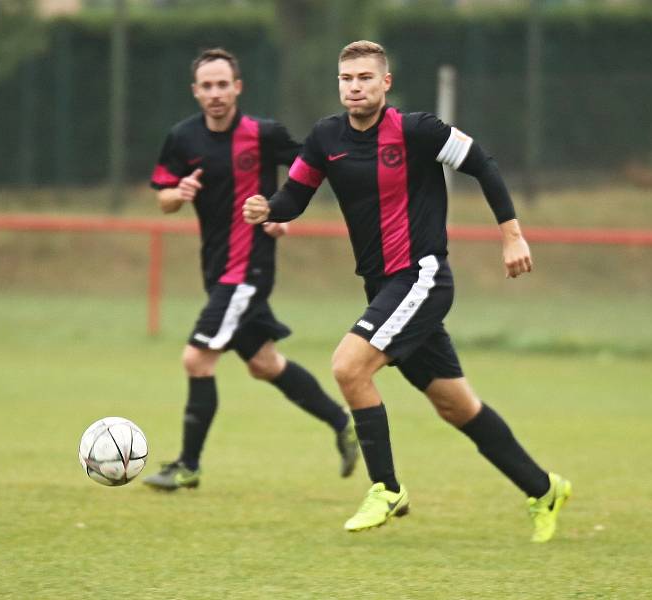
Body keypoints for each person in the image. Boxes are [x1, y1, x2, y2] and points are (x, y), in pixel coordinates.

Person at [243, 41, 571, 542]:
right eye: (347, 78)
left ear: (385, 83)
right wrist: (268, 207)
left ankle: (387, 487)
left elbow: (482, 162)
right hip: (385, 287)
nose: (355, 87)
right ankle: (544, 488)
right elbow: (295, 197)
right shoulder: (326, 137)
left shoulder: (417, 130)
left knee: (348, 367)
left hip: (421, 277)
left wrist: (511, 234)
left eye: (365, 78)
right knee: (456, 406)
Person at [144, 48, 358, 491]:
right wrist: (178, 194)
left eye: (223, 84)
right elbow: (163, 199)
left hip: (246, 271)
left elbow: (310, 168)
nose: (216, 93)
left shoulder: (263, 134)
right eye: (207, 86)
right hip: (217, 270)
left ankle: (188, 465)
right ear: (196, 92)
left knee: (196, 359)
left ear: (237, 87)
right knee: (264, 363)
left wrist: (282, 212)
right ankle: (343, 423)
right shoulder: (182, 138)